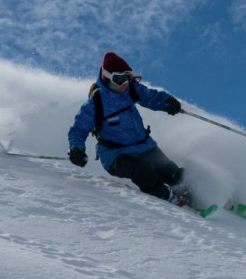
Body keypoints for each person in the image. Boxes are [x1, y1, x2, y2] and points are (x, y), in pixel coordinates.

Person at [68, 52, 188, 205]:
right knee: (143, 172)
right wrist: (76, 149)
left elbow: (150, 97)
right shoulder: (95, 103)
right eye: (119, 78)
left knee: (170, 171)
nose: (124, 83)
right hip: (115, 155)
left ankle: (194, 193)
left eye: (127, 77)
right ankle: (169, 199)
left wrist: (167, 102)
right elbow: (79, 129)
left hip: (144, 146)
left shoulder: (131, 89)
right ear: (106, 77)